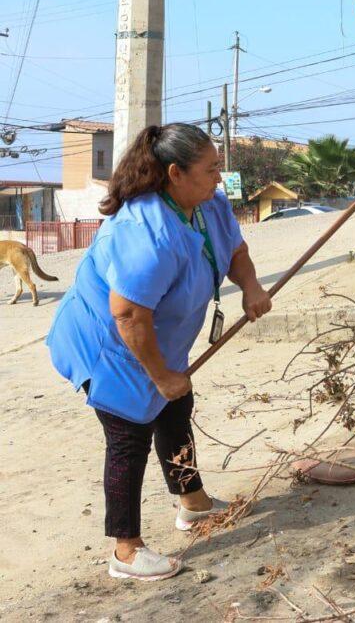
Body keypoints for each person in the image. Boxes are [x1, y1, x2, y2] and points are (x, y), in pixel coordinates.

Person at [47, 124, 273, 581]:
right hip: (108, 342)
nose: (219, 176)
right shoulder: (144, 232)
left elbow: (235, 250)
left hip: (152, 336)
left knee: (175, 409)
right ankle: (126, 551)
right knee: (129, 435)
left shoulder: (208, 202)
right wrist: (161, 375)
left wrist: (251, 287)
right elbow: (127, 314)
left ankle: (193, 505)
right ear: (175, 173)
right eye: (210, 169)